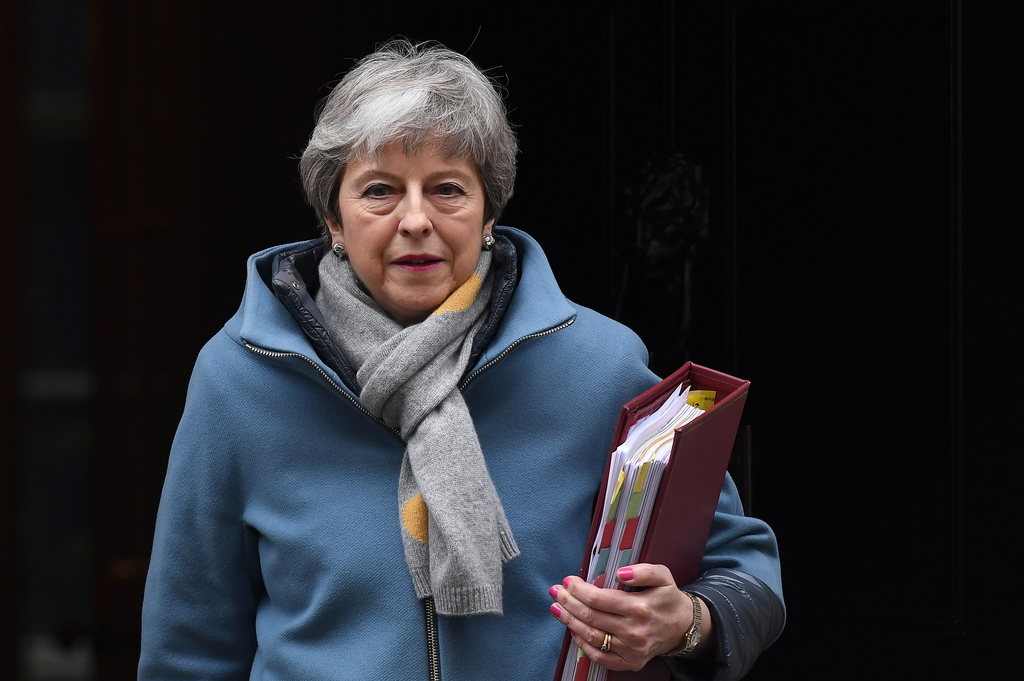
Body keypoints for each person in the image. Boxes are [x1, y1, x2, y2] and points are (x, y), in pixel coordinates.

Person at [138, 39, 785, 681]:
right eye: (380, 191)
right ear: (332, 216)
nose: (415, 219)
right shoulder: (241, 378)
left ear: (489, 212)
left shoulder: (594, 365)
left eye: (447, 189)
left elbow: (746, 572)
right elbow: (188, 650)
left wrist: (687, 621)